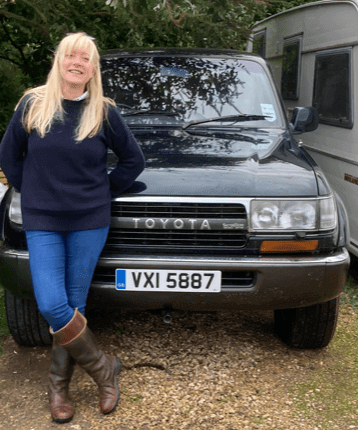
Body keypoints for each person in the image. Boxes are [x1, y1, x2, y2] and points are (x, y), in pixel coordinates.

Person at [0, 32, 145, 423]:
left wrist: (103, 192)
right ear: (59, 60)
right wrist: (30, 189)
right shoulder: (34, 104)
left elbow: (133, 160)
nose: (77, 61)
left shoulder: (104, 110)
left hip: (88, 221)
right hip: (43, 219)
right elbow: (8, 154)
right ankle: (103, 368)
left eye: (86, 57)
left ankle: (58, 389)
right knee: (52, 303)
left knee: (74, 304)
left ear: (93, 68)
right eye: (71, 54)